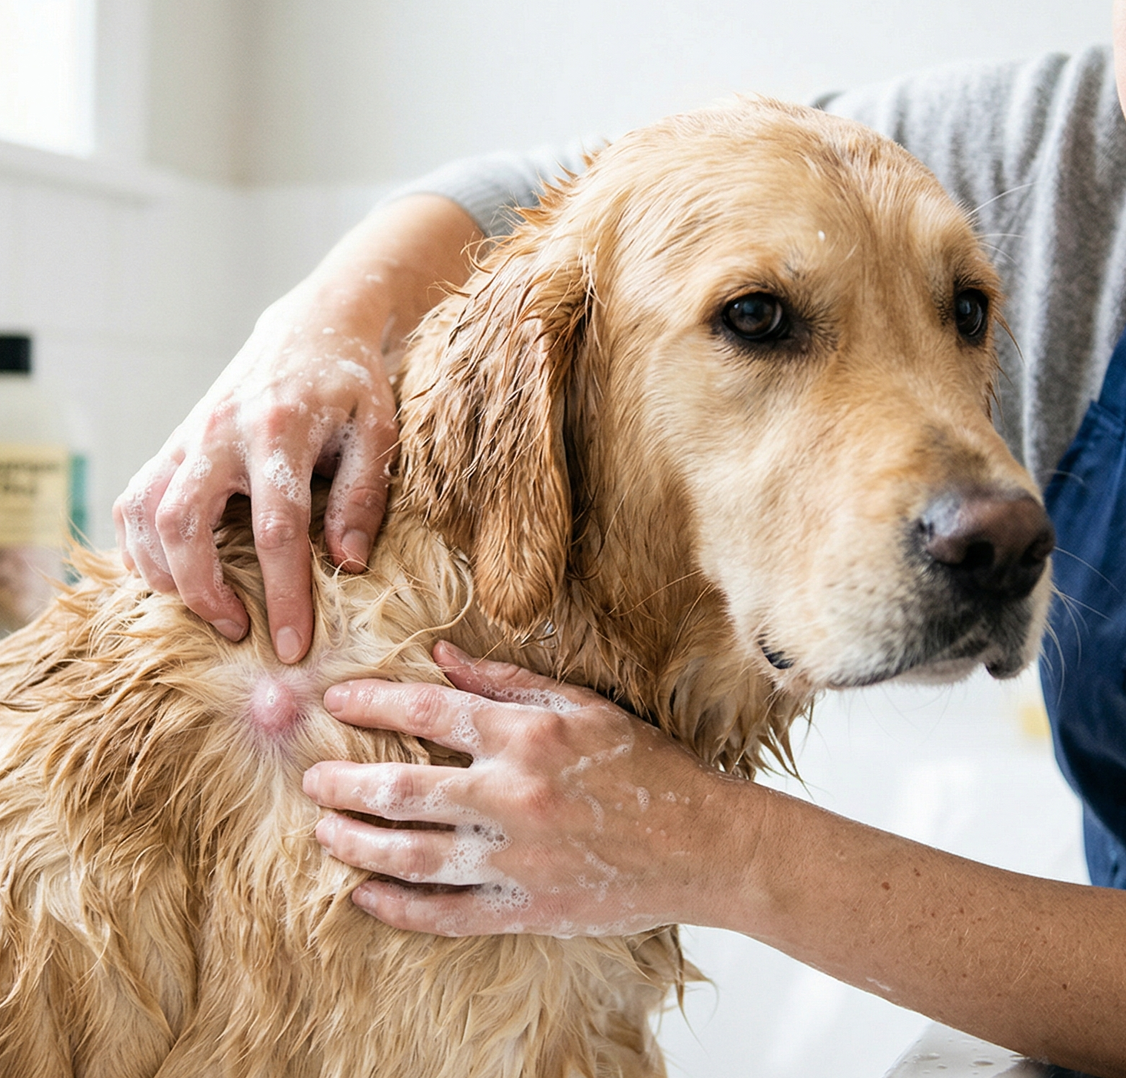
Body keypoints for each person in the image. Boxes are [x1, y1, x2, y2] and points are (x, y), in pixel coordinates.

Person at [113, 18, 1126, 1076]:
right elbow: (573, 198)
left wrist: (720, 846)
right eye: (759, 317)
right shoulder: (1056, 134)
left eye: (965, 312)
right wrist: (315, 321)